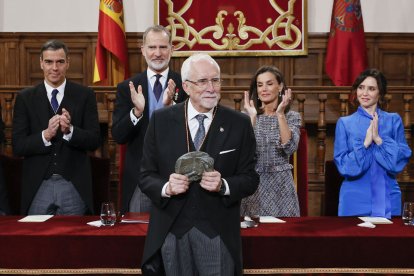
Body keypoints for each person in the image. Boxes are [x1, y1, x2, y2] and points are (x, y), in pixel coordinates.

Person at [138, 53, 259, 275]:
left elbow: (250, 178)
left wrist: (224, 185)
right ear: (186, 86)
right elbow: (146, 176)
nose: (211, 88)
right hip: (171, 229)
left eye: (216, 80)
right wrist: (166, 187)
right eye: (202, 81)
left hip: (217, 231)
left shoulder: (238, 123)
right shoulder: (161, 120)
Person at [12, 40, 101, 215]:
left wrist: (70, 131)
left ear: (68, 63)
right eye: (49, 62)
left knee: (73, 241)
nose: (54, 67)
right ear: (41, 63)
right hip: (38, 185)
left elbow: (94, 140)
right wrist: (45, 135)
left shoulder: (85, 95)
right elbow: (18, 146)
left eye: (60, 62)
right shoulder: (25, 98)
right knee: (37, 241)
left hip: (73, 185)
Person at [112, 25, 187, 214]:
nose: (158, 53)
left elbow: (193, 134)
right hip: (140, 177)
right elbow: (119, 135)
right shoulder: (127, 87)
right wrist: (136, 113)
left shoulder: (185, 85)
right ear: (143, 50)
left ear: (171, 49)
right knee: (137, 236)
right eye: (152, 47)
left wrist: (172, 109)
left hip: (178, 177)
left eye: (163, 47)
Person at [334, 68, 412, 218]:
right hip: (353, 198)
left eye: (371, 89)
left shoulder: (393, 120)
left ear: (380, 93)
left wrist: (379, 140)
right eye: (361, 88)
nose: (364, 93)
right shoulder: (345, 123)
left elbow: (399, 160)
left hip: (389, 195)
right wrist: (365, 144)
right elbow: (343, 165)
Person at [241, 65, 301, 217]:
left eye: (269, 83)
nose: (264, 89)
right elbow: (243, 153)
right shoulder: (247, 116)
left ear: (280, 86)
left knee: (284, 236)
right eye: (260, 85)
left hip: (281, 186)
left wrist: (280, 114)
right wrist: (252, 119)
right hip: (254, 185)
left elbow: (289, 148)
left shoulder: (292, 117)